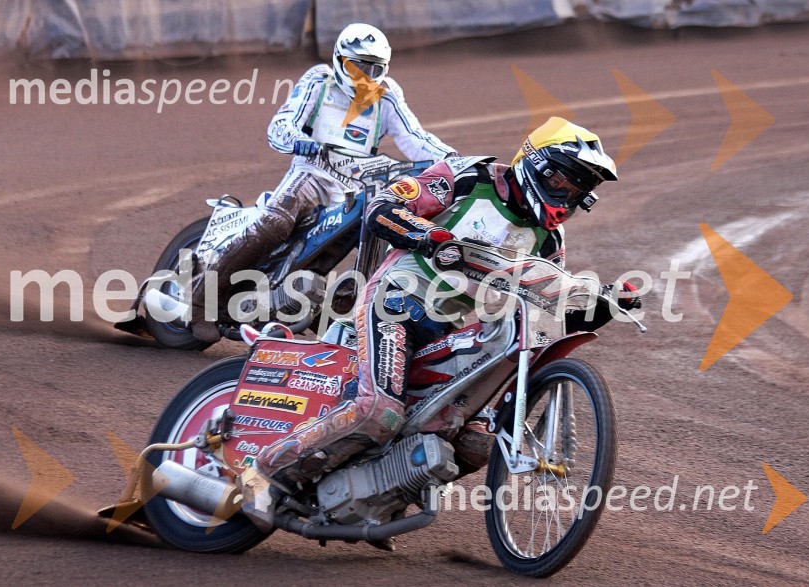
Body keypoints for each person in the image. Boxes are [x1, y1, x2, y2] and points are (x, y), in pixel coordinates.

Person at [238, 116, 642, 530]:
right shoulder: (469, 177)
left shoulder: (549, 241)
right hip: (394, 303)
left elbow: (544, 309)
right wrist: (427, 236)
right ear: (536, 164)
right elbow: (384, 208)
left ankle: (376, 500)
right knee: (379, 411)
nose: (568, 196)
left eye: (579, 191)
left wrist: (607, 305)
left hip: (448, 327)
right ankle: (264, 474)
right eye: (565, 182)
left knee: (475, 443)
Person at [190, 23, 457, 342]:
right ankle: (199, 303)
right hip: (311, 173)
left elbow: (414, 138)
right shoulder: (319, 79)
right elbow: (283, 121)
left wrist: (455, 162)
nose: (364, 76)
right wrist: (297, 140)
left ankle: (340, 313)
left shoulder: (387, 95)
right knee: (276, 224)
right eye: (357, 66)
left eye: (373, 68)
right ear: (340, 60)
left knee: (382, 233)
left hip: (357, 186)